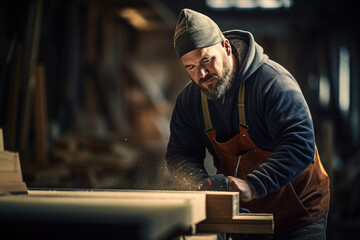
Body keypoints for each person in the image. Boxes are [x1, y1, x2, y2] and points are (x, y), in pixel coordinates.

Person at [165, 8, 330, 239]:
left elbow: (299, 144)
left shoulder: (273, 84)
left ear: (225, 47)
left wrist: (254, 185)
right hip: (243, 215)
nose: (201, 74)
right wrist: (203, 186)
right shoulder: (190, 100)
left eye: (206, 60)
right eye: (190, 67)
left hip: (298, 215)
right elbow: (180, 155)